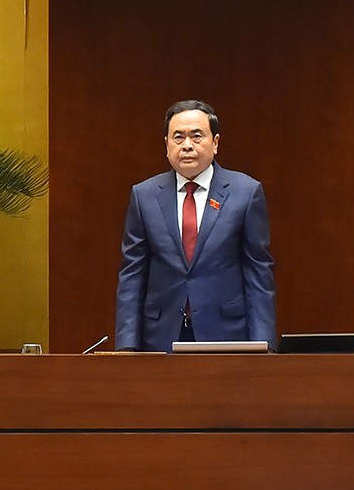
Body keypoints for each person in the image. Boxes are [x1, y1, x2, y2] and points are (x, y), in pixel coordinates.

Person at [115, 100, 276, 351]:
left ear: (216, 143)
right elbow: (132, 276)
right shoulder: (144, 195)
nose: (187, 145)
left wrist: (264, 345)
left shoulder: (245, 192)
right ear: (166, 145)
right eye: (178, 137)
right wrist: (127, 346)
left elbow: (258, 273)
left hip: (227, 335)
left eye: (196, 136)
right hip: (160, 336)